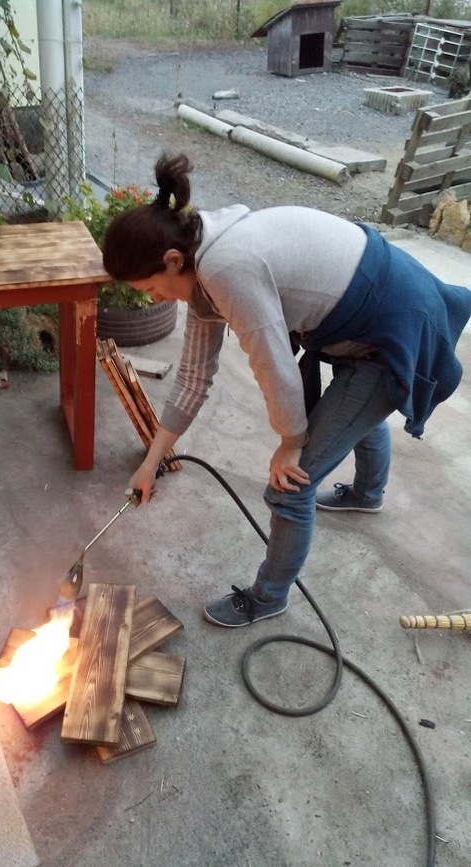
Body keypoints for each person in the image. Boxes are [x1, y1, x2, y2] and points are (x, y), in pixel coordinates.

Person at [102, 153, 471, 628]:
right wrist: (150, 463)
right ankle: (367, 492)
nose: (151, 299)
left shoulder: (225, 268)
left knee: (289, 487)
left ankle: (268, 596)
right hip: (369, 312)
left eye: (150, 286)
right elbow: (193, 380)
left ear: (173, 260)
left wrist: (291, 443)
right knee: (349, 416)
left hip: (393, 327)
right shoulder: (202, 260)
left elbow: (274, 365)